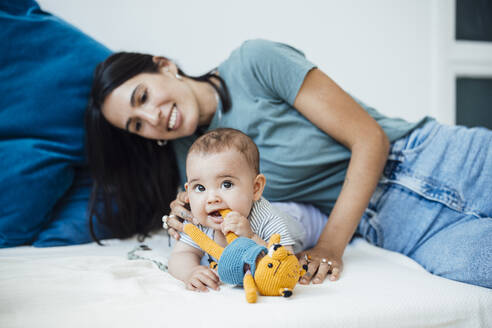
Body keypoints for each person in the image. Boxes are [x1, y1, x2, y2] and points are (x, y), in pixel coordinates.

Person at [86, 39, 492, 288]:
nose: (153, 119)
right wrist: (190, 217)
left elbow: (370, 138)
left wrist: (330, 247)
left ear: (164, 65)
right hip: (395, 225)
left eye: (142, 98)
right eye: (137, 125)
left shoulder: (253, 62)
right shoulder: (191, 165)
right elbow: (228, 233)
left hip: (436, 154)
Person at [167, 127, 314, 291]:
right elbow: (180, 256)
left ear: (256, 188)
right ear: (188, 191)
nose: (212, 198)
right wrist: (190, 272)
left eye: (226, 184)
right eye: (200, 188)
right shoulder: (198, 221)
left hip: (301, 221)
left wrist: (251, 236)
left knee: (307, 219)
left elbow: (284, 259)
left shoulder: (266, 217)